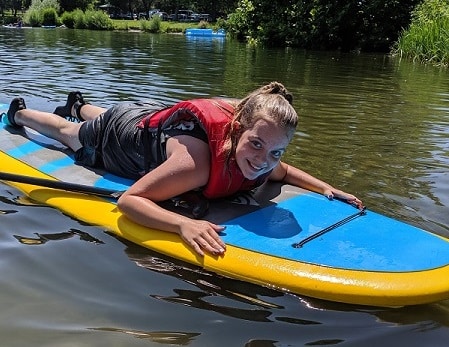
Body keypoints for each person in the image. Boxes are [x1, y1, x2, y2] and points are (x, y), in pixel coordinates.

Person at [3, 82, 363, 256]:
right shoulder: (194, 166)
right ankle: (19, 113)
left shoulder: (259, 154)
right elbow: (130, 201)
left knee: (113, 117)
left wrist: (327, 187)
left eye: (275, 151)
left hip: (144, 118)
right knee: (71, 135)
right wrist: (182, 223)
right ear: (237, 131)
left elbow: (283, 171)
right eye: (256, 145)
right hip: (118, 138)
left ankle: (79, 104)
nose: (264, 160)